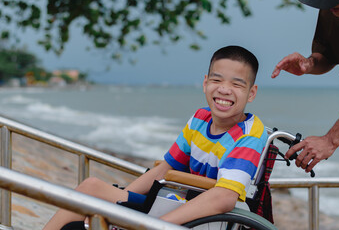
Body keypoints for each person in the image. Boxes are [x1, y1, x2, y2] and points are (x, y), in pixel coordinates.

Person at [43, 45, 268, 230]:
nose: (225, 90)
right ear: (205, 83)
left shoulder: (250, 133)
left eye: (237, 84)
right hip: (173, 202)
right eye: (217, 80)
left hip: (203, 220)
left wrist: (153, 225)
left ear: (252, 93)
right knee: (91, 188)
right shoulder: (200, 119)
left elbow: (224, 198)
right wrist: (120, 201)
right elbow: (166, 168)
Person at [271, 0, 339, 173]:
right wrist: (309, 64)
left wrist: (330, 140)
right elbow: (328, 53)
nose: (329, 3)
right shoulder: (333, 6)